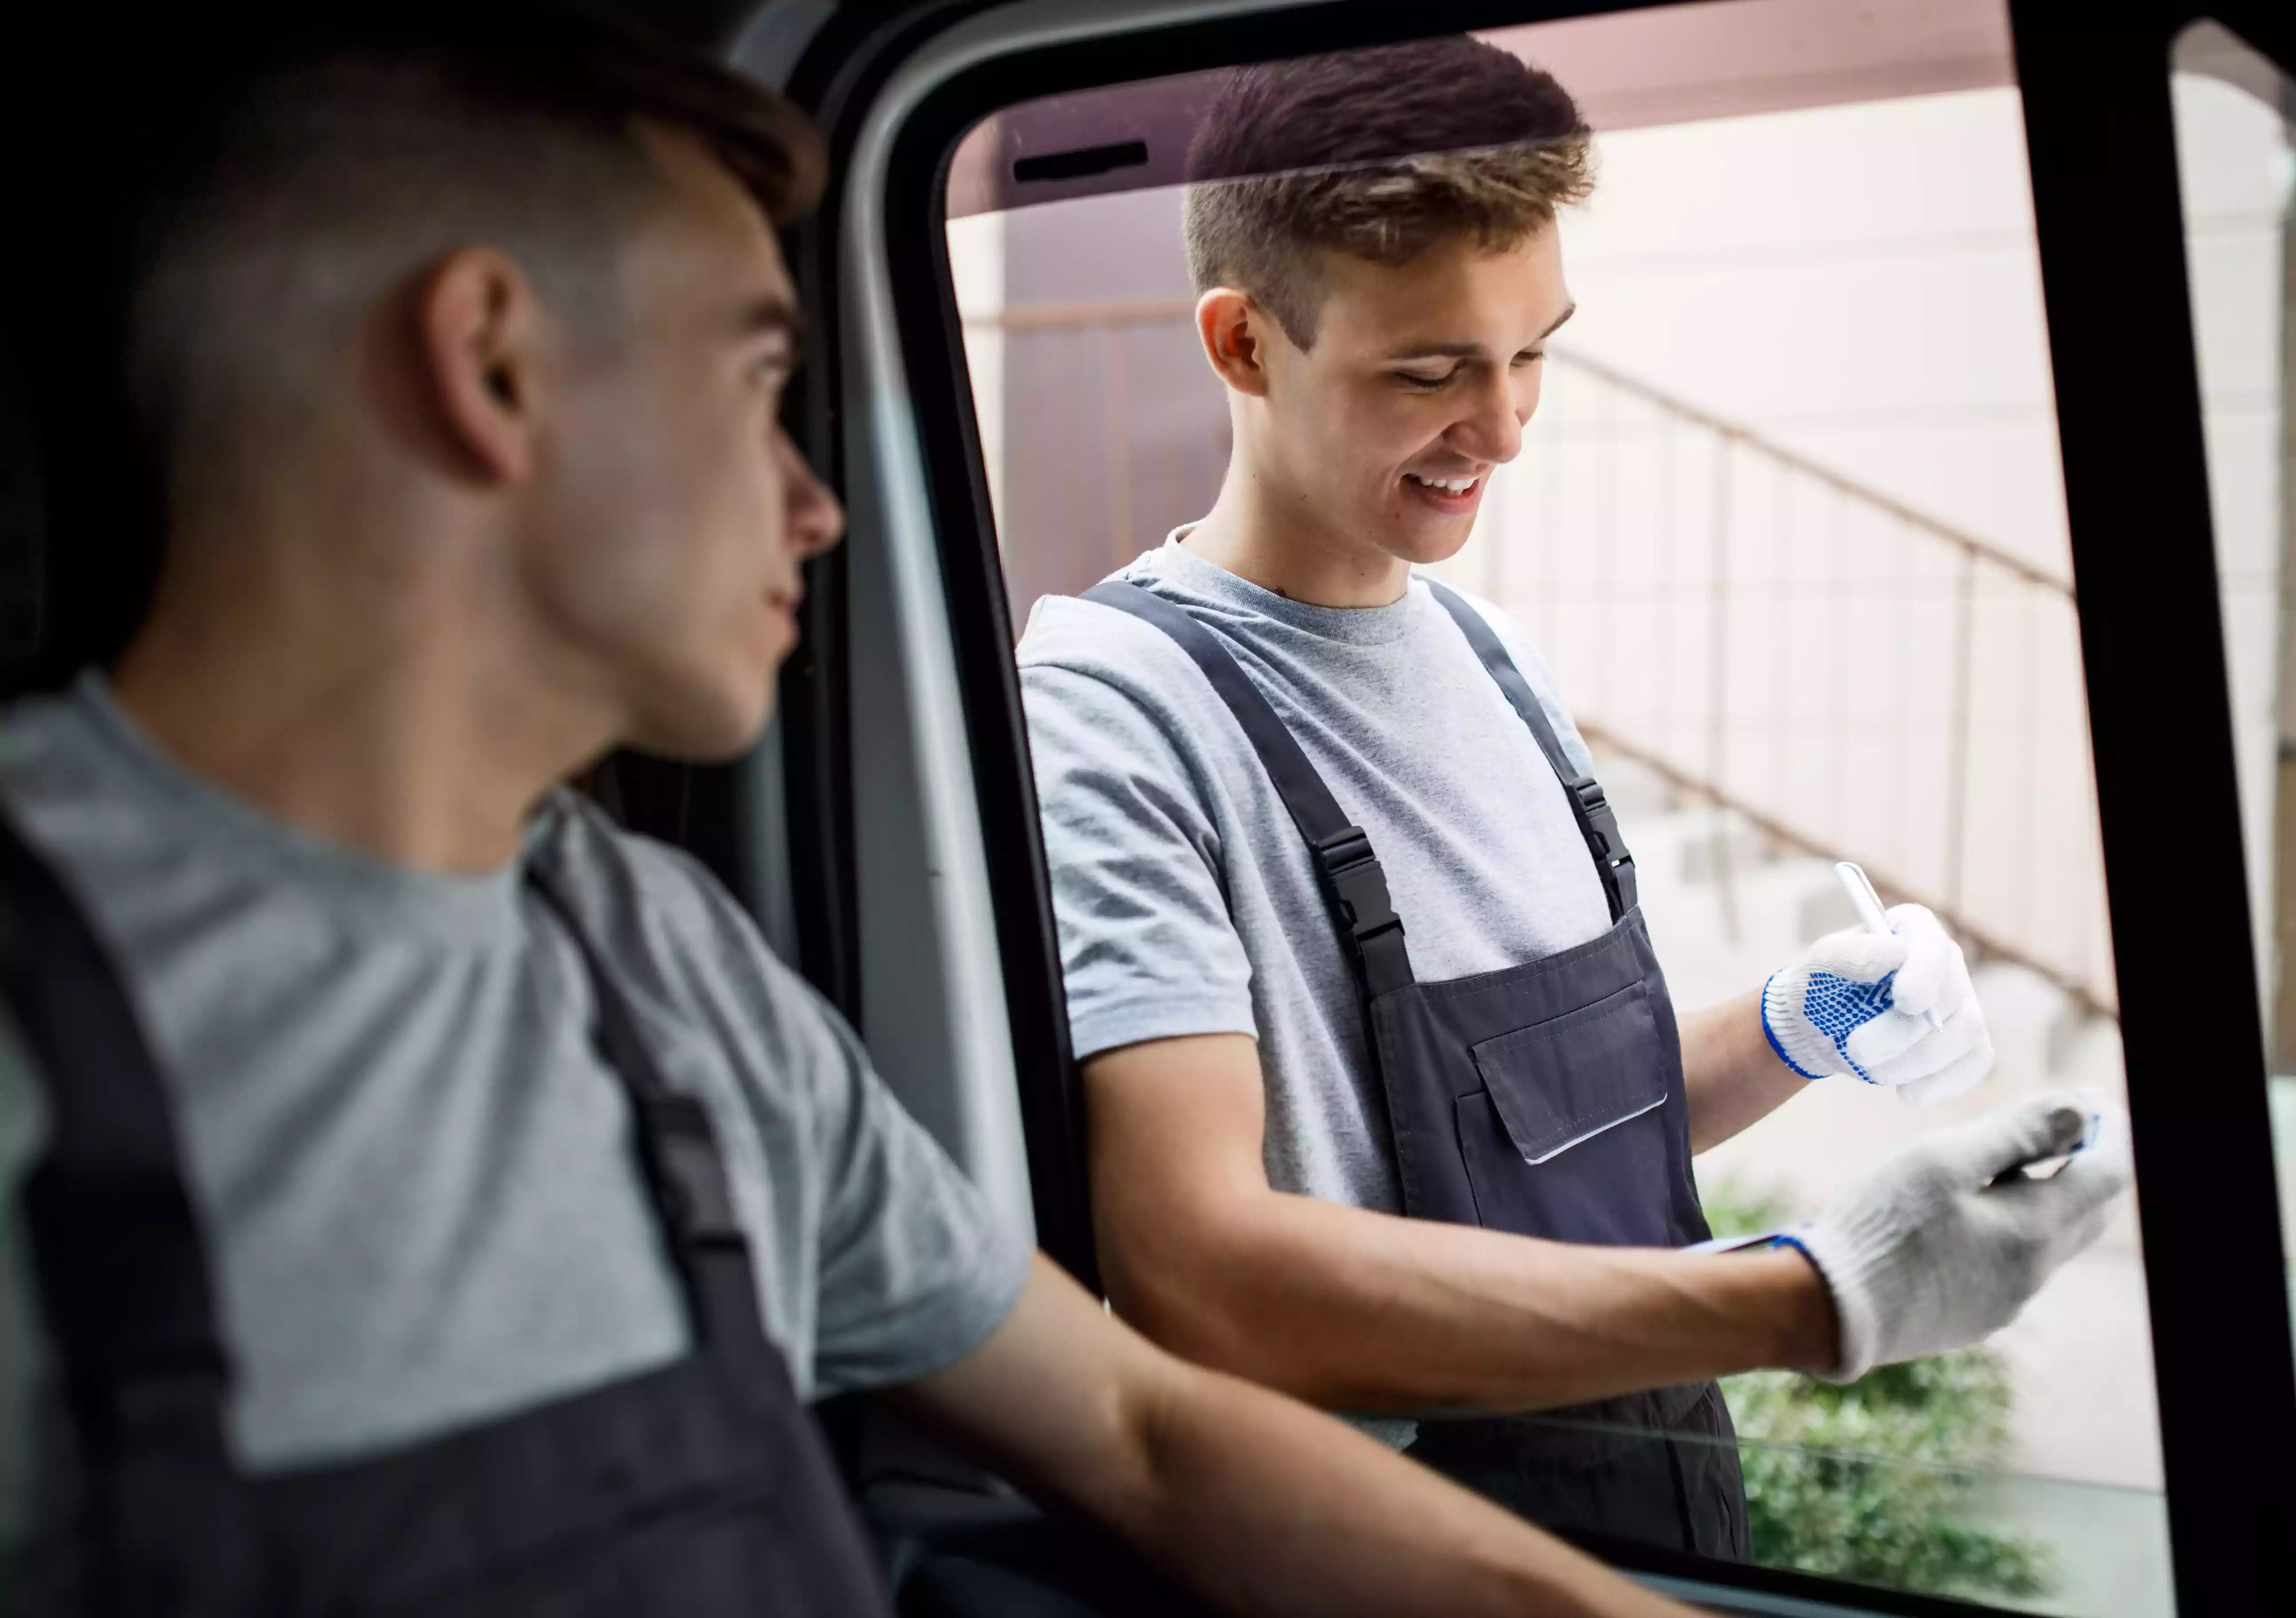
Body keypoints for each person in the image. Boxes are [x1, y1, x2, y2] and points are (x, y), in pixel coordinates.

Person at [0, 11, 1738, 1615]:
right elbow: (1199, 1295)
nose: (818, 507)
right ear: (494, 364)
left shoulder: (663, 965)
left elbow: (1137, 1429)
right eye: (758, 381)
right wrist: (1807, 1299)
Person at [1017, 34, 2131, 1557]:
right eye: (1432, 371)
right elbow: (1197, 1267)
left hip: (1666, 1487)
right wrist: (1816, 1296)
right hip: (1397, 1550)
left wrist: (1799, 1028)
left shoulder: (1495, 661)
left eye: (1535, 350)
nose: (1507, 425)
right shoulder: (1118, 714)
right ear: (1243, 344)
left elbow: (1565, 1139)